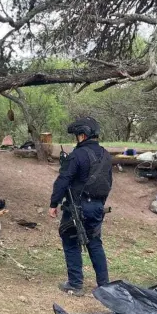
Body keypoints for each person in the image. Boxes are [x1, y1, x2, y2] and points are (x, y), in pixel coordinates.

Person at [49, 117, 112, 296]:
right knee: (95, 243)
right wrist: (100, 204)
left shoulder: (77, 155)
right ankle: (104, 285)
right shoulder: (105, 154)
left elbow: (63, 180)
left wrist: (54, 203)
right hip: (97, 206)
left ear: (83, 135)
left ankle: (75, 284)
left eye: (77, 135)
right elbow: (108, 182)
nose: (76, 138)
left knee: (70, 241)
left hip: (77, 206)